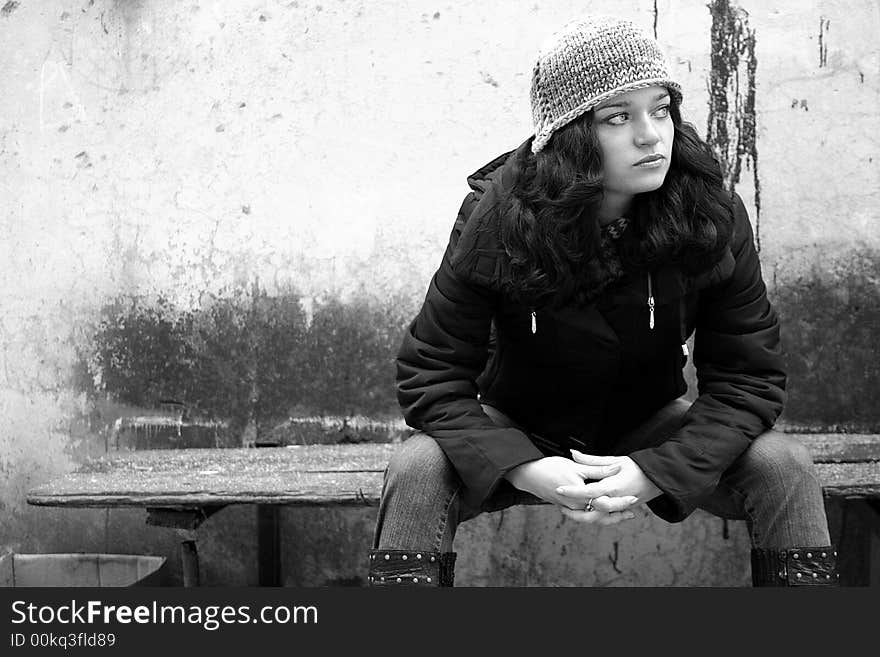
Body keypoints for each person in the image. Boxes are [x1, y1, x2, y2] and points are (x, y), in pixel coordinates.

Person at [368, 15, 836, 587]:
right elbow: (430, 372)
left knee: (783, 466)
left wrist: (655, 470)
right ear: (568, 137)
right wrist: (523, 465)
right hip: (519, 425)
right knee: (416, 465)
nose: (651, 135)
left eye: (660, 109)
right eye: (618, 116)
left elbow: (750, 379)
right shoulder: (497, 216)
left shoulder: (708, 213)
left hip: (646, 425)